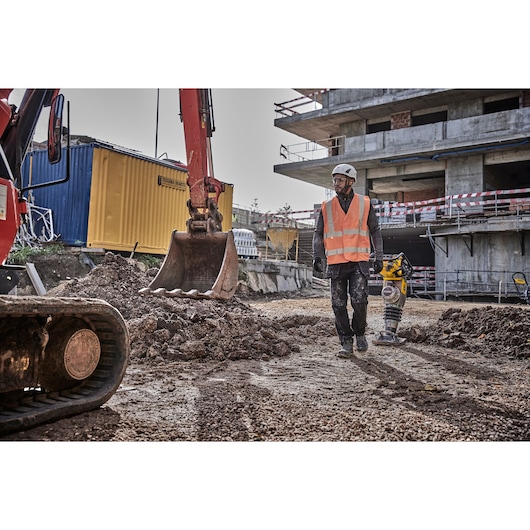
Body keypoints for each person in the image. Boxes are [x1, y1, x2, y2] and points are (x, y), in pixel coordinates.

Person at [312, 163, 383, 358]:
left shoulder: (365, 203)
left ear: (351, 182)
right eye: (334, 180)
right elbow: (318, 233)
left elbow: (375, 231)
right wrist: (317, 255)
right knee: (338, 304)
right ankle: (346, 341)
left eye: (340, 180)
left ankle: (360, 333)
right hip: (336, 262)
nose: (336, 183)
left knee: (360, 301)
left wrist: (379, 256)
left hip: (359, 261)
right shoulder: (326, 207)